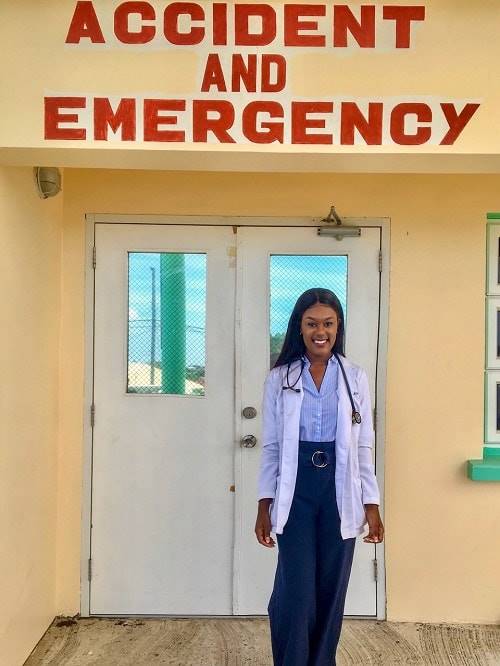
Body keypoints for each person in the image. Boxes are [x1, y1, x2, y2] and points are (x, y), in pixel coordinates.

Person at [255, 287, 384, 666]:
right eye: (311, 324)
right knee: (295, 592)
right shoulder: (280, 378)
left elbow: (363, 446)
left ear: (338, 327)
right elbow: (273, 447)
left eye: (328, 323)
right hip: (295, 493)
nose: (320, 331)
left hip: (340, 492)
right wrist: (264, 505)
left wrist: (371, 505)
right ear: (300, 327)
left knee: (331, 590)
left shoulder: (354, 377)